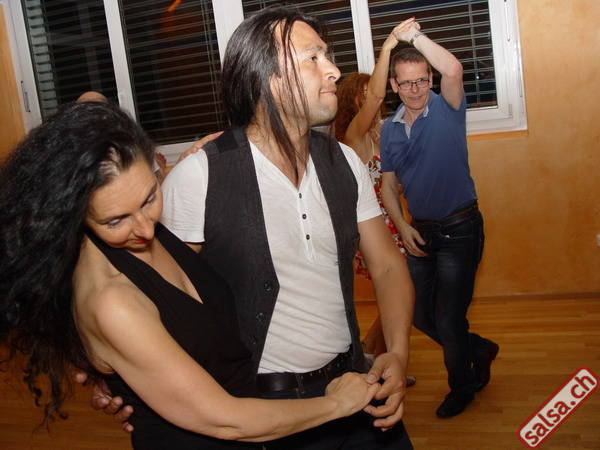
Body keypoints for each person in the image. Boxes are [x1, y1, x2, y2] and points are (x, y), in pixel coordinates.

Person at [93, 6, 414, 449]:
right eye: (313, 58)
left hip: (355, 384)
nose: (333, 70)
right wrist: (123, 376)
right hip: (263, 410)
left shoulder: (344, 162)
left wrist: (396, 352)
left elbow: (388, 267)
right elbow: (154, 296)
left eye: (328, 56)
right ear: (267, 79)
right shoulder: (201, 176)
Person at [0, 101, 381, 449]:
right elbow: (225, 421)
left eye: (150, 197)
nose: (145, 229)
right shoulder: (111, 300)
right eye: (115, 220)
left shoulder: (146, 226)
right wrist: (337, 404)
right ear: (70, 214)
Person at [379, 19, 500, 418]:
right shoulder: (389, 130)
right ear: (394, 86)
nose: (415, 90)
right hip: (420, 233)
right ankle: (477, 348)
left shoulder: (447, 107)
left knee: (449, 318)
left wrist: (413, 37)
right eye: (406, 83)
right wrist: (402, 225)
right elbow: (389, 186)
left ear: (429, 79)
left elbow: (453, 68)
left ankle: (462, 386)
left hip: (460, 228)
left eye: (421, 80)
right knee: (417, 313)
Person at [335, 20, 414, 371]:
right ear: (353, 101)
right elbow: (377, 100)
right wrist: (388, 49)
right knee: (401, 290)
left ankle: (378, 359)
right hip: (374, 227)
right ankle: (373, 353)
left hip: (394, 221)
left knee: (398, 292)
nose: (374, 99)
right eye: (366, 94)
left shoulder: (381, 132)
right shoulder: (353, 134)